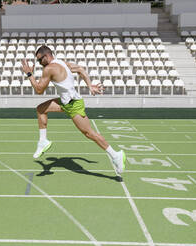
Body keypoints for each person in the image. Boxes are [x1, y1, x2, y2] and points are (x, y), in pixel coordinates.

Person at [21, 45, 126, 174]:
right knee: (41, 109)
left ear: (47, 56)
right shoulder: (61, 62)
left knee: (89, 134)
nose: (38, 63)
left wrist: (29, 74)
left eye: (39, 60)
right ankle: (43, 141)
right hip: (66, 102)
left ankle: (116, 155)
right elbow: (80, 69)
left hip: (73, 105)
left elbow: (39, 90)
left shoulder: (49, 69)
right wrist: (90, 85)